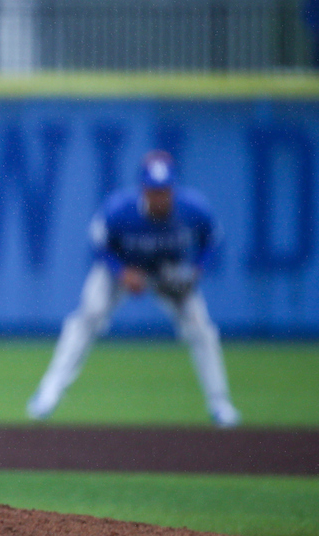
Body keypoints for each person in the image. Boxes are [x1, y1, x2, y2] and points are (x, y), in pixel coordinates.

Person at [26, 150, 240, 428]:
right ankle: (49, 392)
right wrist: (121, 272)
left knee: (201, 328)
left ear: (173, 188)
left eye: (165, 190)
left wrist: (196, 271)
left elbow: (213, 241)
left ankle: (219, 403)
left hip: (169, 272)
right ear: (143, 189)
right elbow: (98, 244)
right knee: (89, 315)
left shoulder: (193, 208)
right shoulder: (119, 209)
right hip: (121, 269)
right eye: (154, 190)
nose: (160, 197)